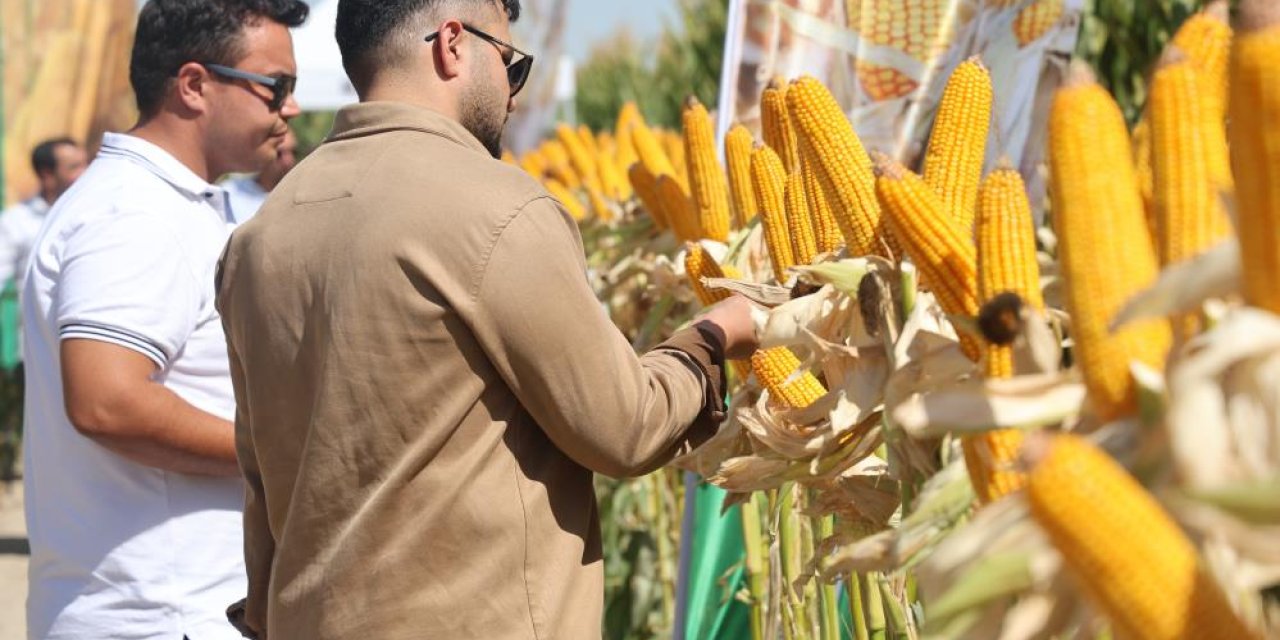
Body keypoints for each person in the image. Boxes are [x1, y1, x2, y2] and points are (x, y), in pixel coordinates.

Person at [214, 0, 760, 637]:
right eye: (510, 63)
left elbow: (261, 479)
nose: (512, 94)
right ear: (452, 44)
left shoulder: (259, 237)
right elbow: (626, 426)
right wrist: (712, 336)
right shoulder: (498, 209)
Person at [20, 1, 307, 638]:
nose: (289, 107)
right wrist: (282, 448)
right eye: (275, 85)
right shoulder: (135, 213)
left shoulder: (164, 202)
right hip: (158, 615)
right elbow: (106, 401)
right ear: (194, 84)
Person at [0, 138, 88, 290]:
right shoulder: (15, 221)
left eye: (87, 164)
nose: (86, 173)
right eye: (75, 167)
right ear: (47, 175)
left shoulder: (98, 213)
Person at [221, 127, 298, 223]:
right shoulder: (230, 194)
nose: (288, 161)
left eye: (294, 152)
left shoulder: (302, 196)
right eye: (279, 154)